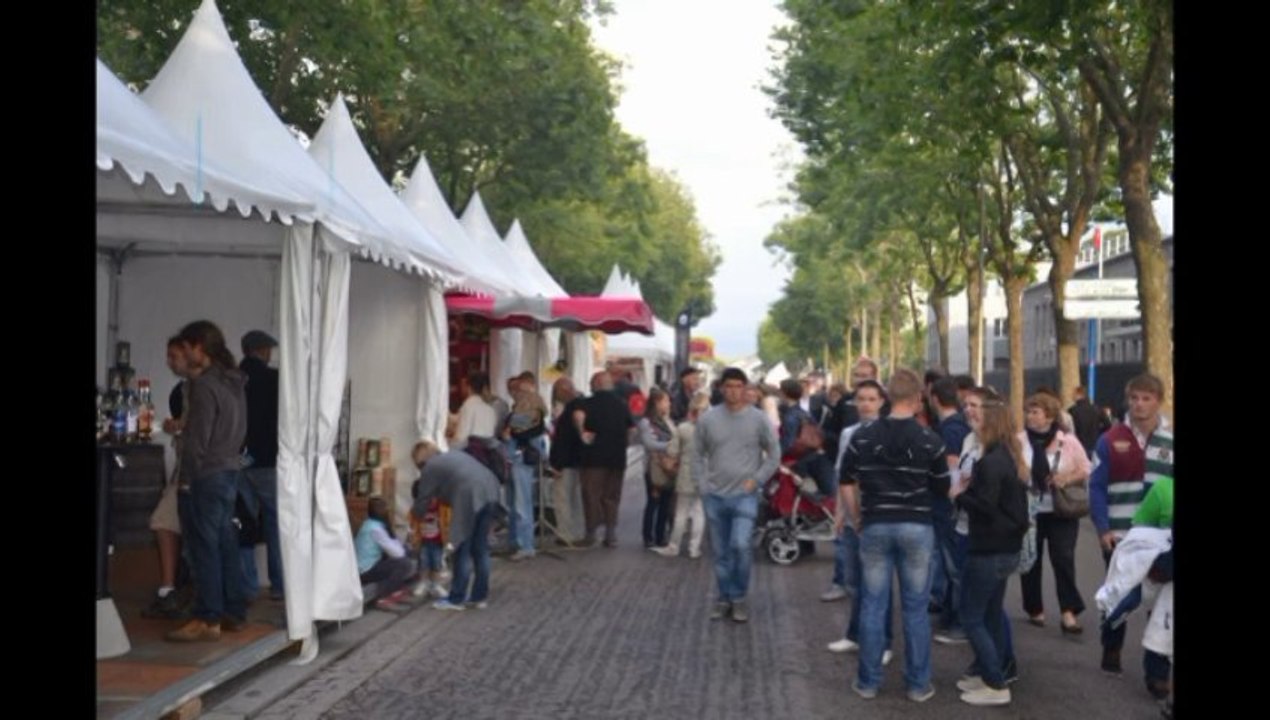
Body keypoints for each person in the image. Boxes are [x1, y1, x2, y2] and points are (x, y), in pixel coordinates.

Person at [838, 368, 950, 702]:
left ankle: (868, 682)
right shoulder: (930, 439)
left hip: (875, 524)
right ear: (918, 400)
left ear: (887, 397)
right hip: (917, 527)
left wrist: (856, 515)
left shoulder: (863, 436)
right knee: (915, 609)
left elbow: (846, 479)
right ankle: (918, 685)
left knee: (873, 605)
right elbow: (942, 488)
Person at [165, 320, 249, 643]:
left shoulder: (204, 385)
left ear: (200, 347)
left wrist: (185, 479)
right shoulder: (234, 381)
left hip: (206, 474)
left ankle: (207, 616)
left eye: (186, 349)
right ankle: (233, 610)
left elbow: (198, 439)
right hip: (229, 470)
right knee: (225, 542)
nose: (184, 356)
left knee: (204, 548)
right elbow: (239, 430)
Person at [1090, 374, 1173, 675]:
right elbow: (1097, 487)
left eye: (1146, 398)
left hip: (1160, 539)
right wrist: (1102, 528)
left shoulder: (1171, 442)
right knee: (1121, 595)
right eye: (1135, 398)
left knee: (1160, 601)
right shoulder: (1110, 439)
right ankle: (1111, 646)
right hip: (1120, 534)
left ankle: (1157, 672)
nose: (1139, 404)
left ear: (1158, 401)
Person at [954, 397, 1030, 707]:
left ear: (990, 424)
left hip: (988, 549)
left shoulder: (990, 462)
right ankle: (991, 672)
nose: (973, 418)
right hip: (1007, 548)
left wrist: (960, 495)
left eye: (979, 416)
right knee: (991, 614)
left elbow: (984, 506)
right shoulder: (1010, 457)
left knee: (971, 617)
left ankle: (996, 684)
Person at [693, 367, 781, 624]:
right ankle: (724, 597)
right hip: (715, 495)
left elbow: (774, 454)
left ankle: (739, 596)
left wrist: (757, 480)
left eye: (738, 386)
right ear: (721, 389)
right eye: (728, 386)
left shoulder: (758, 419)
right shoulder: (708, 420)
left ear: (745, 389)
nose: (733, 391)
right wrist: (703, 485)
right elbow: (697, 454)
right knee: (720, 551)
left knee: (741, 546)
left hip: (745, 494)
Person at [1019, 392, 1092, 634]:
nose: (1030, 416)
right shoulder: (1019, 440)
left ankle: (1068, 612)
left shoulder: (1067, 441)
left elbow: (1086, 468)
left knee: (1063, 560)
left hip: (1062, 510)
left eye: (1035, 412)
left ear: (1049, 415)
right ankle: (1034, 608)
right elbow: (1011, 468)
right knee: (1031, 560)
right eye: (1028, 412)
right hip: (1030, 511)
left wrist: (1066, 478)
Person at [413, 443, 505, 611]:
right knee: (481, 548)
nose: (420, 471)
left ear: (421, 462)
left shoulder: (430, 467)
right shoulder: (452, 455)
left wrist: (416, 519)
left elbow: (423, 499)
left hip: (469, 496)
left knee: (462, 546)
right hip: (491, 491)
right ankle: (479, 597)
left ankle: (456, 598)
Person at [142, 337, 194, 619]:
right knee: (166, 521)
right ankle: (170, 590)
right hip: (188, 471)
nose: (169, 362)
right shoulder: (185, 389)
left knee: (169, 522)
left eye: (173, 357)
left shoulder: (204, 388)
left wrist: (179, 425)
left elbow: (208, 427)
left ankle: (182, 595)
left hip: (200, 472)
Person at [237, 329, 284, 602]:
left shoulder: (233, 378)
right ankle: (278, 584)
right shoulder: (273, 379)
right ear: (263, 350)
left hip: (236, 459)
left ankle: (247, 585)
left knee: (242, 522)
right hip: (267, 459)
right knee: (275, 523)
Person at [578, 371, 637, 547]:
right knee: (611, 496)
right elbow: (632, 430)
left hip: (593, 458)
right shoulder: (622, 404)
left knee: (591, 495)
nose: (589, 386)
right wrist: (624, 445)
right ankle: (610, 534)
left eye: (591, 383)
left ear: (596, 384)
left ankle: (591, 533)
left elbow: (581, 427)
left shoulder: (587, 404)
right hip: (617, 458)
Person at [655, 391, 711, 559]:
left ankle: (674, 546)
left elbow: (672, 451)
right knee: (699, 512)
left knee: (681, 512)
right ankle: (694, 549)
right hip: (706, 474)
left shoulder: (683, 429)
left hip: (686, 473)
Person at [502, 374, 548, 561]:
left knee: (522, 504)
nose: (515, 393)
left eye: (519, 389)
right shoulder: (528, 407)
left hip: (520, 459)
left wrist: (509, 430)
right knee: (516, 503)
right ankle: (516, 541)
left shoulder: (531, 405)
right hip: (516, 459)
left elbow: (515, 430)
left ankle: (525, 545)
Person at [355, 496, 414, 611]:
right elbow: (398, 553)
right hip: (364, 571)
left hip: (364, 568)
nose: (387, 511)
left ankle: (396, 592)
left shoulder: (368, 524)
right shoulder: (376, 529)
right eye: (383, 508)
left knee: (396, 559)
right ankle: (383, 598)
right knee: (403, 563)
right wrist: (402, 548)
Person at [640, 388, 678, 549]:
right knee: (653, 501)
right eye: (665, 401)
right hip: (654, 467)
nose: (668, 404)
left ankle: (661, 535)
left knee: (665, 503)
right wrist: (671, 446)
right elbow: (649, 443)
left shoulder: (668, 421)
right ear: (657, 403)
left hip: (669, 466)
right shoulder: (646, 423)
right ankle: (648, 536)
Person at [452, 371, 498, 448]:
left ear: (469, 387)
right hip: (485, 452)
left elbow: (461, 438)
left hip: (470, 452)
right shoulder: (490, 409)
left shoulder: (469, 405)